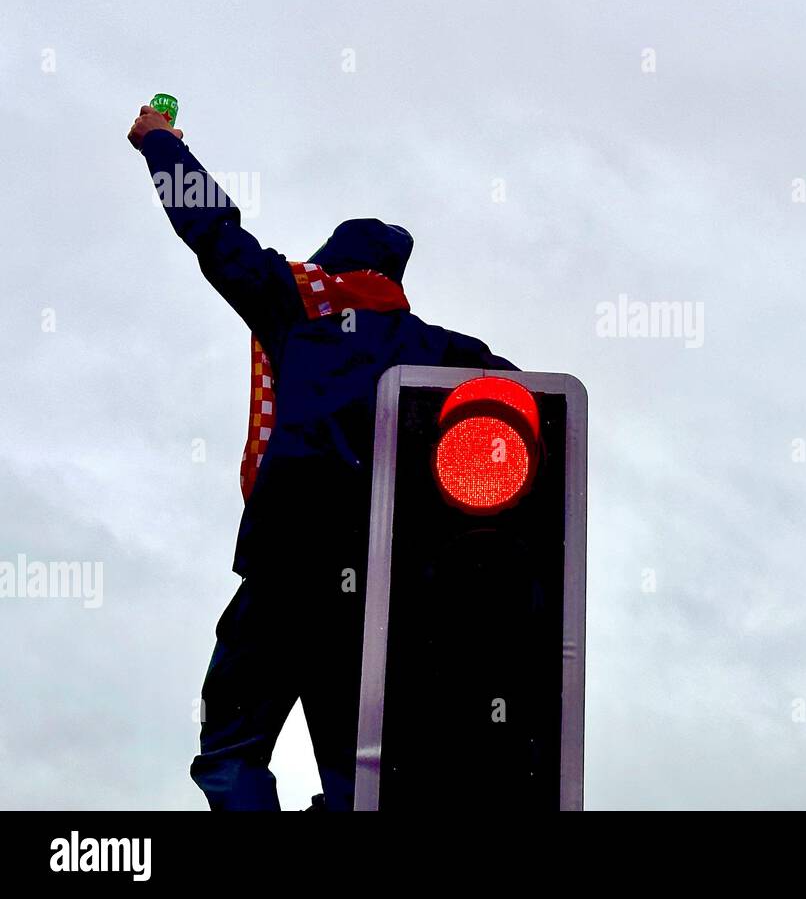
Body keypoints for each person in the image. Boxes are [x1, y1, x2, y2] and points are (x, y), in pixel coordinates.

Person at [127, 105, 516, 810]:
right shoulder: (438, 351)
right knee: (359, 766)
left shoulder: (296, 303)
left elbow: (213, 231)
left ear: (331, 261)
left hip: (285, 566)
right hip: (374, 588)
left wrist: (160, 144)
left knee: (232, 745)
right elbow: (529, 404)